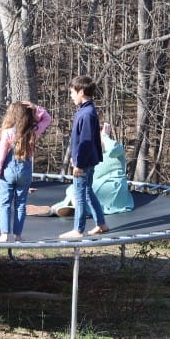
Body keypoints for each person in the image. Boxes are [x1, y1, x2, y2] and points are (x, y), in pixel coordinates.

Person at [27, 123, 134, 217]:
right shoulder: (92, 153)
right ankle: (56, 209)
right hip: (102, 187)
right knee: (74, 189)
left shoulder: (113, 146)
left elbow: (114, 149)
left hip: (114, 188)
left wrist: (105, 136)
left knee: (79, 191)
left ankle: (66, 208)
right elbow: (89, 175)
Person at [0, 101, 52, 243]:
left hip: (9, 171)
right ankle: (18, 235)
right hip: (25, 171)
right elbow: (48, 118)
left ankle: (4, 234)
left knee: (5, 203)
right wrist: (36, 108)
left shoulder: (8, 132)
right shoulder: (33, 130)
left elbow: (2, 153)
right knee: (20, 204)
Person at [59, 76, 110, 240]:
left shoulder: (86, 114)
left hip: (84, 162)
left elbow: (86, 141)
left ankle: (78, 229)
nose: (71, 96)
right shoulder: (86, 110)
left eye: (73, 93)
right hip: (87, 160)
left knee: (79, 194)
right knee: (87, 191)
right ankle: (101, 223)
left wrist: (79, 164)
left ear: (81, 92)